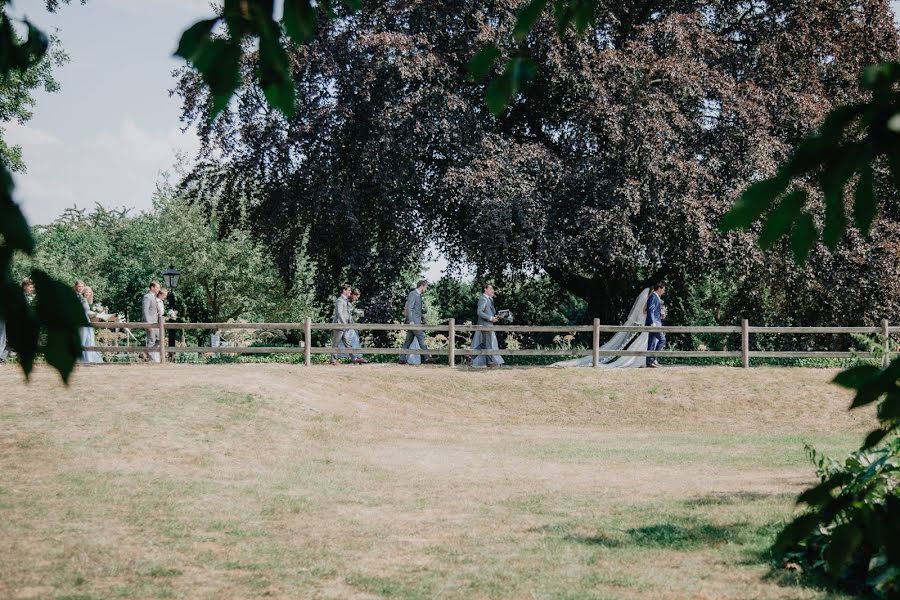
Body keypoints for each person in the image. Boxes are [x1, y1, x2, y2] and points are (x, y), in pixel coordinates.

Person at [399, 279, 434, 365]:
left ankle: (402, 359)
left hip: (416, 321)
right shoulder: (413, 294)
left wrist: (423, 318)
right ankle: (427, 357)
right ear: (422, 286)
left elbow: (416, 310)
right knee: (421, 338)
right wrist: (411, 321)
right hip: (413, 322)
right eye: (426, 287)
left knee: (408, 341)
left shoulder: (419, 296)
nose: (426, 289)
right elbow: (409, 308)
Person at [470, 284, 504, 368]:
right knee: (488, 343)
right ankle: (490, 362)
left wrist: (495, 317)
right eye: (491, 288)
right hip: (484, 325)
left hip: (488, 324)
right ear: (485, 289)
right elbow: (479, 312)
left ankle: (470, 356)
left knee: (485, 343)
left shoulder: (489, 299)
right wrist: (490, 318)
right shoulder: (483, 298)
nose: (492, 290)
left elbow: (488, 312)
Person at [79, 286, 103, 364]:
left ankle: (88, 359)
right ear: (83, 292)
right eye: (86, 292)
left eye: (89, 292)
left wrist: (95, 314)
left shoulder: (85, 301)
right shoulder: (82, 300)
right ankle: (82, 359)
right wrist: (96, 314)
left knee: (89, 340)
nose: (88, 294)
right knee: (84, 340)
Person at [330, 283, 353, 365]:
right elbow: (339, 313)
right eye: (349, 290)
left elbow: (347, 313)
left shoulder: (346, 300)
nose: (350, 292)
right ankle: (333, 361)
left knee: (348, 343)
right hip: (339, 325)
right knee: (336, 344)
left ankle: (354, 358)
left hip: (344, 326)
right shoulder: (340, 300)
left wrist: (349, 321)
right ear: (344, 290)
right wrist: (344, 324)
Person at [345, 288, 368, 364]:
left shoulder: (351, 302)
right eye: (356, 297)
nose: (357, 299)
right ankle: (356, 357)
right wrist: (355, 312)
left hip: (350, 324)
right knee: (349, 341)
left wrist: (356, 314)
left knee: (354, 339)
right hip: (345, 324)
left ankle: (357, 357)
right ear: (353, 295)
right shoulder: (346, 301)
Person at [645, 283, 666, 368]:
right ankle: (652, 359)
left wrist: (661, 314)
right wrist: (652, 322)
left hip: (656, 321)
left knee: (652, 342)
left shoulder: (655, 296)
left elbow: (655, 310)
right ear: (659, 288)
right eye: (663, 289)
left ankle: (649, 362)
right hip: (654, 323)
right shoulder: (653, 296)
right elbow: (650, 310)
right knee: (662, 339)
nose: (664, 291)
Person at [142, 281, 161, 362]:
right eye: (157, 287)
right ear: (152, 288)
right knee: (151, 341)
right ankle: (151, 360)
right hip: (150, 323)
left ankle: (154, 358)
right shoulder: (147, 297)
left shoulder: (154, 297)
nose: (159, 289)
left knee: (158, 339)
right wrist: (148, 324)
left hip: (156, 324)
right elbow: (145, 311)